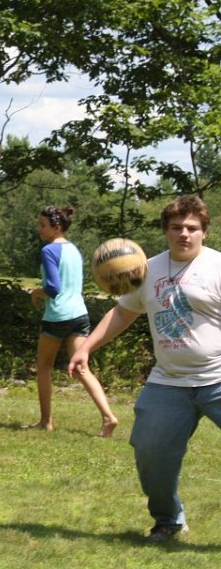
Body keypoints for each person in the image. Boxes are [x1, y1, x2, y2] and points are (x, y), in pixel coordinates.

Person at [69, 195, 221, 542]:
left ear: (205, 232)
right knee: (151, 454)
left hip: (217, 378)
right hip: (168, 383)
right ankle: (168, 521)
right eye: (177, 227)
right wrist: (86, 348)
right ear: (166, 231)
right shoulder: (145, 269)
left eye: (192, 228)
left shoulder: (217, 267)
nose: (184, 234)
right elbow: (123, 311)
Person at [27, 205, 118, 437]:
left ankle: (46, 422)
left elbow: (53, 287)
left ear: (57, 227)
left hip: (57, 316)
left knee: (44, 367)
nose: (39, 229)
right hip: (79, 315)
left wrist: (36, 293)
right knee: (81, 368)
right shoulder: (74, 250)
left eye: (43, 225)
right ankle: (108, 417)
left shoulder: (49, 250)